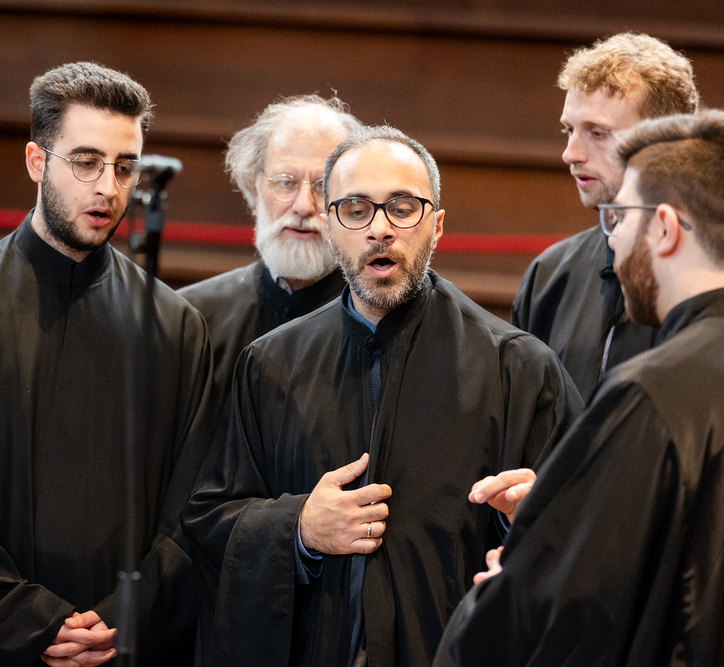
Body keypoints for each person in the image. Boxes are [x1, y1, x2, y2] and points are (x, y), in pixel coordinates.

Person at [182, 125, 582, 667]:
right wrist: (299, 528)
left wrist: (525, 521)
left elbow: (585, 540)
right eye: (356, 210)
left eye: (402, 208)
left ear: (437, 225)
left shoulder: (519, 369)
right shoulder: (270, 365)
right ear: (329, 226)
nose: (380, 229)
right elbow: (211, 520)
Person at [0, 62, 214, 667]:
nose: (108, 188)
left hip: (122, 647)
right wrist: (31, 622)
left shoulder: (174, 326)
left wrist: (123, 618)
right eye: (86, 162)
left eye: (125, 167)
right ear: (36, 162)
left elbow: (194, 504)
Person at [434, 109, 724, 667]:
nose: (612, 241)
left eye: (619, 217)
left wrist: (517, 584)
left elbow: (555, 622)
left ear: (664, 228)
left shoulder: (650, 394)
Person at [512, 33, 699, 400]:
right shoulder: (547, 276)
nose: (570, 154)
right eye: (569, 130)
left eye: (598, 133)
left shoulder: (711, 276)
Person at [179, 96, 358, 413]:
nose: (303, 206)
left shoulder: (378, 321)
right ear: (254, 187)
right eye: (286, 183)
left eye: (324, 186)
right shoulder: (192, 318)